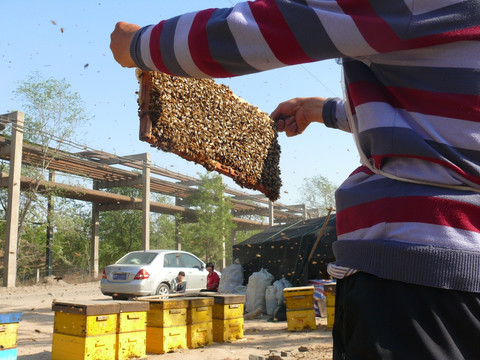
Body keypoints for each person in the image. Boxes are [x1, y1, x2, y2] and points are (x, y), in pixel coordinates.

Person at [110, 2, 480, 358]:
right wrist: (321, 109)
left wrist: (139, 44)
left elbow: (270, 28)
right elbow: (438, 124)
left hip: (414, 281)